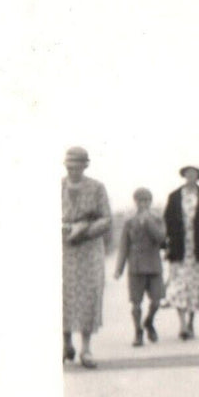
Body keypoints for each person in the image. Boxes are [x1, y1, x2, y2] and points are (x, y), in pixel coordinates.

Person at [61, 146, 112, 369]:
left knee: (89, 296)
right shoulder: (57, 187)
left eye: (77, 166)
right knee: (63, 296)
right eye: (69, 166)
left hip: (89, 249)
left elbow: (106, 218)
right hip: (64, 249)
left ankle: (86, 347)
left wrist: (85, 229)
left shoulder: (97, 188)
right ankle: (66, 343)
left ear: (85, 165)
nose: (73, 170)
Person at [163, 165, 199, 340]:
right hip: (180, 248)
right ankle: (182, 324)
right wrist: (167, 242)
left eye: (194, 174)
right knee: (178, 286)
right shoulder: (174, 197)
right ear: (184, 176)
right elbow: (167, 221)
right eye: (188, 174)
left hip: (198, 249)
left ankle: (191, 321)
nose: (190, 177)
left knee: (195, 287)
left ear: (198, 176)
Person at [114, 187, 167, 346]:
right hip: (136, 266)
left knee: (157, 301)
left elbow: (161, 238)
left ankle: (149, 322)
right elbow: (124, 246)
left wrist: (148, 222)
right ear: (135, 202)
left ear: (150, 202)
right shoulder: (129, 221)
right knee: (136, 303)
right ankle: (138, 331)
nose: (143, 204)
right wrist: (119, 268)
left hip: (153, 264)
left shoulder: (157, 219)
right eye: (140, 200)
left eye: (146, 200)